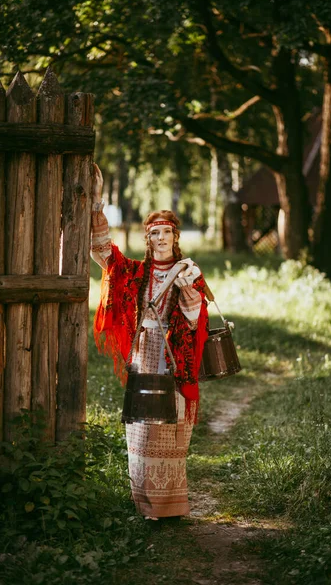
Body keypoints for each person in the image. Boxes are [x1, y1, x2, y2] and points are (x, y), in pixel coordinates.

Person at [90, 164, 209, 521]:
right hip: (143, 357)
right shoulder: (137, 273)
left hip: (173, 363)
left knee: (167, 433)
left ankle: (170, 506)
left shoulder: (189, 271)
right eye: (154, 234)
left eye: (166, 234)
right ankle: (144, 507)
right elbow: (105, 256)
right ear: (148, 238)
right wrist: (96, 208)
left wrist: (188, 288)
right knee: (141, 434)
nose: (160, 240)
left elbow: (193, 319)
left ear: (175, 237)